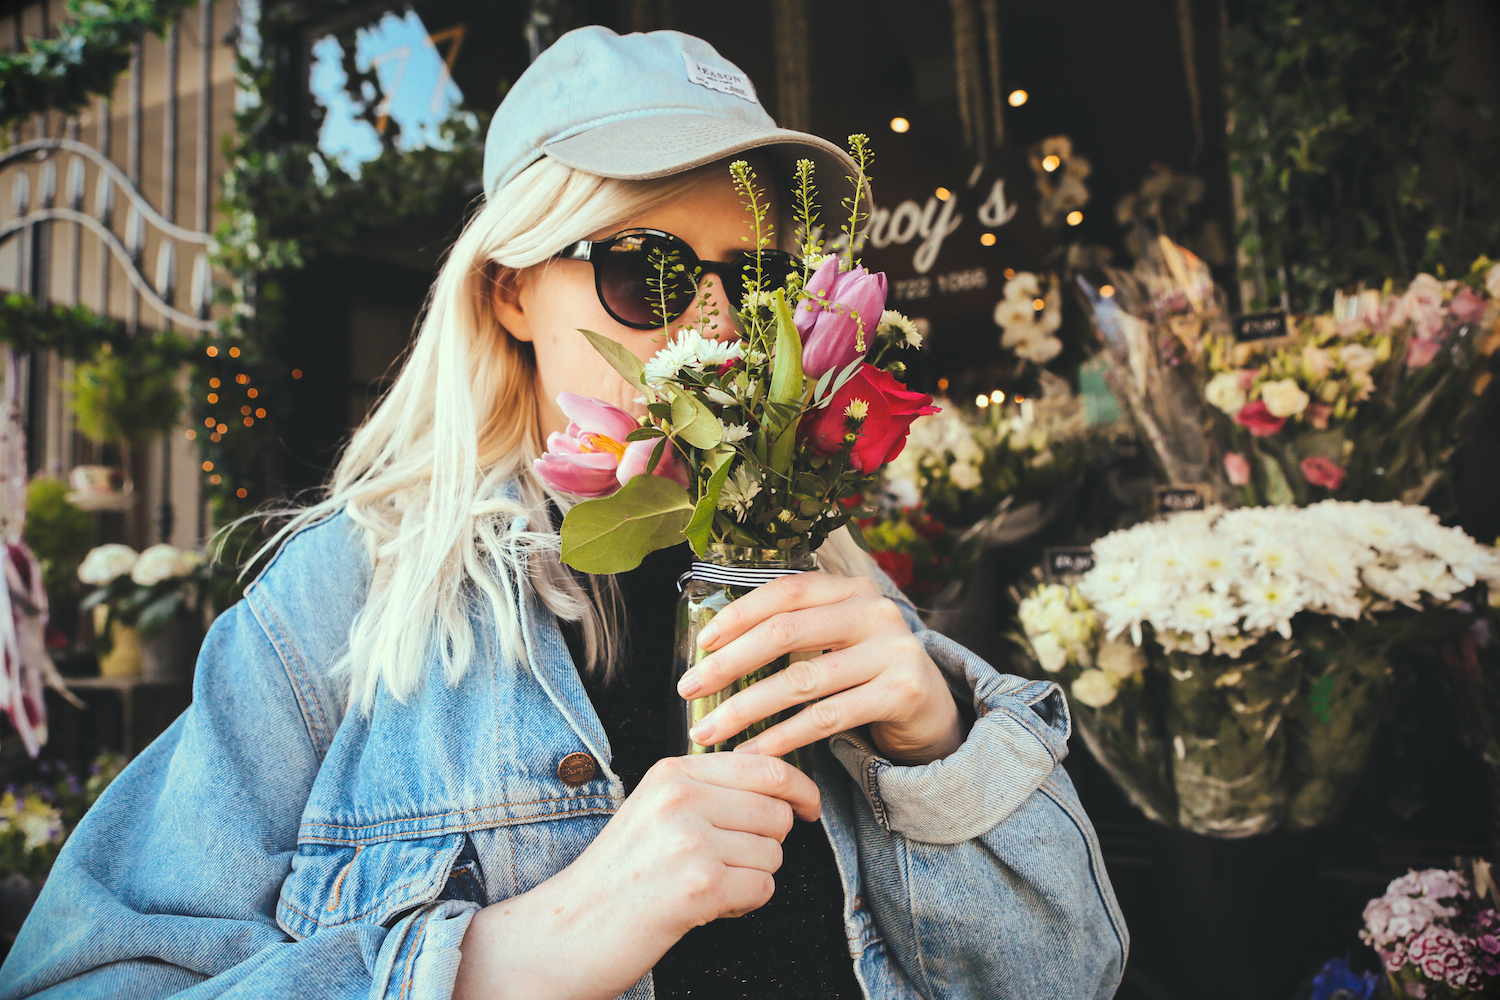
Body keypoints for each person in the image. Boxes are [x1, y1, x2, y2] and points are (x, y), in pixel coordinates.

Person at [0, 26, 1126, 1000]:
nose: (719, 323)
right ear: (509, 289)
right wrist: (515, 953)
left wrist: (941, 749)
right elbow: (88, 973)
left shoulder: (823, 572)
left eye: (759, 276)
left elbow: (1072, 972)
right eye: (649, 269)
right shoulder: (342, 604)